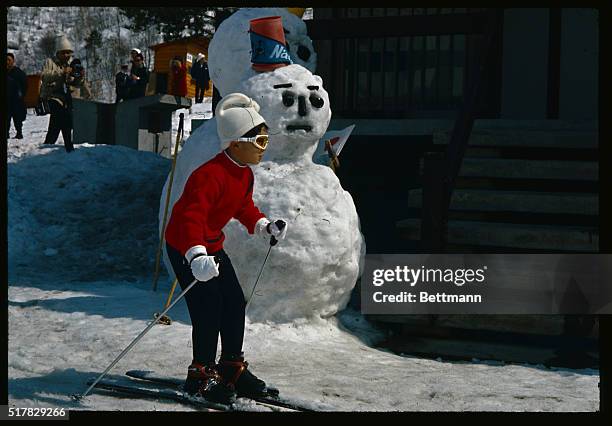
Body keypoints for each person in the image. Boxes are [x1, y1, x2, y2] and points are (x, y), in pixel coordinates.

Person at [164, 93, 288, 404]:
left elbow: (242, 206)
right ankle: (200, 374)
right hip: (185, 247)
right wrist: (196, 256)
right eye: (259, 141)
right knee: (209, 307)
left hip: (211, 245)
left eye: (264, 139)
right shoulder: (208, 175)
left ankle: (231, 367)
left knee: (233, 300)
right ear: (235, 143)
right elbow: (191, 217)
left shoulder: (243, 173)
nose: (264, 147)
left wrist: (262, 225)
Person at [40, 35, 85, 153]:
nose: (66, 55)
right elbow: (45, 76)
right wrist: (61, 73)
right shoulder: (50, 62)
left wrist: (79, 77)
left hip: (66, 98)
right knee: (63, 117)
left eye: (68, 53)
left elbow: (77, 84)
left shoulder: (72, 65)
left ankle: (48, 145)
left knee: (57, 124)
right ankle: (68, 146)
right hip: (52, 96)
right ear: (58, 53)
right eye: (63, 53)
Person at [7, 52, 27, 139]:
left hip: (16, 100)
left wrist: (21, 94)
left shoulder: (19, 73)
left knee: (17, 118)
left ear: (13, 61)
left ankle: (19, 133)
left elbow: (25, 85)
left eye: (9, 60)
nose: (7, 62)